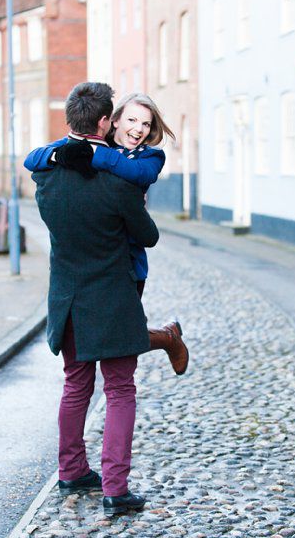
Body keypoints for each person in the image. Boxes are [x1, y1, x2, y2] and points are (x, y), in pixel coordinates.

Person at [31, 82, 154, 517]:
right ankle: (115, 489)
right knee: (120, 388)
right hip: (113, 298)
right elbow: (149, 236)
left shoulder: (45, 175)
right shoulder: (116, 180)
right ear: (107, 122)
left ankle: (71, 472)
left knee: (76, 384)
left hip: (67, 295)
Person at [25, 93, 188, 376]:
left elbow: (134, 173)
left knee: (122, 338)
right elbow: (33, 158)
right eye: (132, 120)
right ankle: (166, 336)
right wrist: (60, 153)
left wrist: (94, 154)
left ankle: (166, 338)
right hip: (94, 252)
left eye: (146, 124)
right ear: (113, 121)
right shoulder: (100, 146)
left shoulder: (149, 157)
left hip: (128, 262)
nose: (139, 129)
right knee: (110, 338)